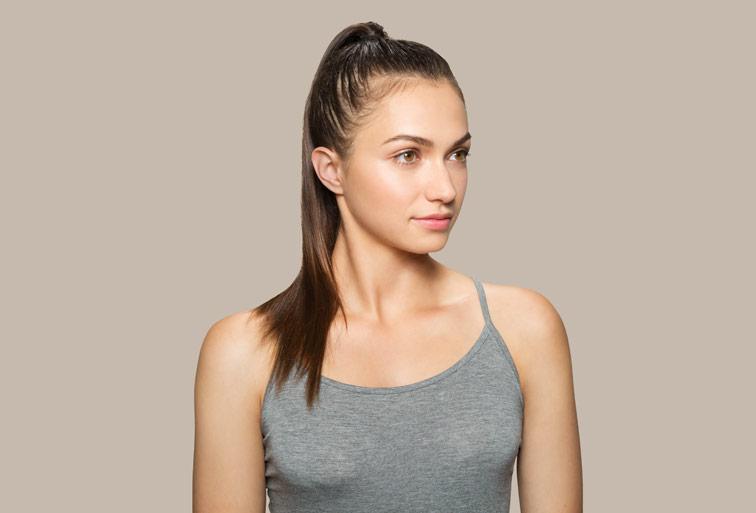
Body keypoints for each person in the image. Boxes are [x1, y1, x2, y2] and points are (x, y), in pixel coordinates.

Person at [193, 21, 582, 513]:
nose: (445, 188)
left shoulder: (524, 330)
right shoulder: (245, 353)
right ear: (331, 169)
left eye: (457, 154)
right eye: (408, 155)